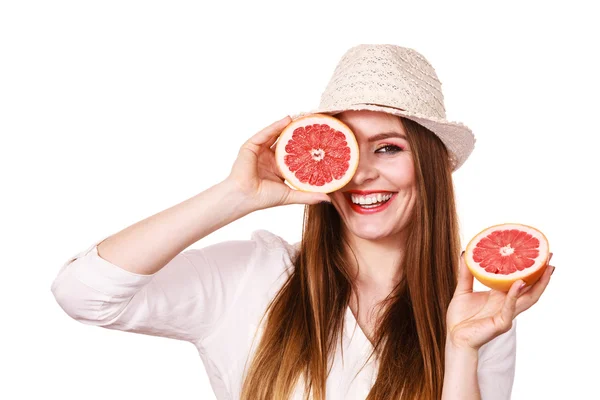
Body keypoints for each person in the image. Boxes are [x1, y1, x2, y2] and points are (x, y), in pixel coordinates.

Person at [50, 44, 554, 400]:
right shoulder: (251, 276)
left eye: (388, 147)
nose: (361, 171)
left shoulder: (474, 312)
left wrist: (463, 348)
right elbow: (83, 293)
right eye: (346, 147)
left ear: (429, 166)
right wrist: (235, 196)